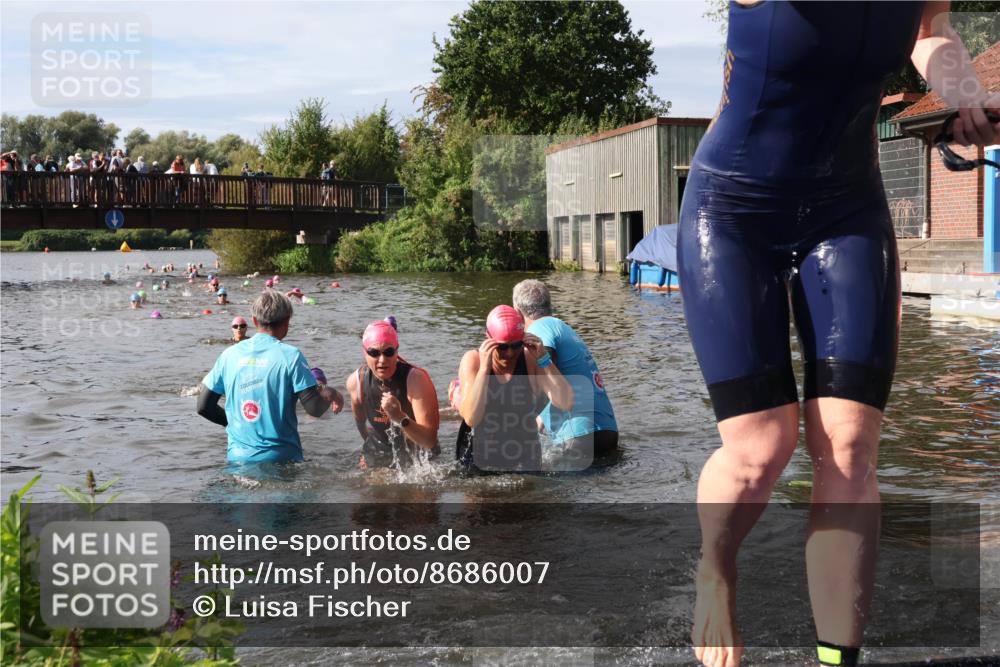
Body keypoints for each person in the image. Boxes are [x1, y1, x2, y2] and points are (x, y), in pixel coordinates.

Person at [675, 4, 1000, 667]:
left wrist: (965, 90)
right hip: (733, 209)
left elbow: (929, 30)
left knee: (850, 448)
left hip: (847, 205)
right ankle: (714, 564)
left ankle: (837, 659)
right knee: (762, 446)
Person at [197, 290, 344, 463]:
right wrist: (331, 392)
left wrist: (233, 424)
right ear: (287, 321)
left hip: (238, 459)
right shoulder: (291, 356)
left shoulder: (229, 355)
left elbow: (203, 406)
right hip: (282, 459)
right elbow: (315, 408)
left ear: (253, 320)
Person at [454, 305, 573, 473]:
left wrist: (544, 360)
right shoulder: (473, 361)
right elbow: (472, 418)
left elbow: (566, 402)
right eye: (502, 347)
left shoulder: (530, 358)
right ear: (488, 338)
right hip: (478, 455)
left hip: (524, 454)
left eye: (516, 345)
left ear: (523, 338)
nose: (510, 353)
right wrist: (484, 370)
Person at [512, 279, 619, 464]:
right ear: (549, 305)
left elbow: (546, 376)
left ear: (517, 312)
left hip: (579, 436)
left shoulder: (539, 329)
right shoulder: (564, 328)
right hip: (608, 432)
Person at [344, 320, 440, 469]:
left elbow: (429, 441)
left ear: (397, 350)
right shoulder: (356, 382)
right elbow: (360, 422)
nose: (382, 360)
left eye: (388, 352)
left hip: (418, 456)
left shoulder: (416, 380)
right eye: (374, 353)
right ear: (364, 352)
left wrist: (399, 417)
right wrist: (369, 450)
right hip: (379, 452)